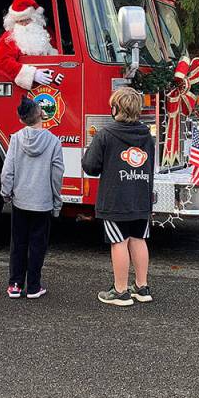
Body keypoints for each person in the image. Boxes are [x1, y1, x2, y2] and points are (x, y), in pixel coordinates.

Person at [81, 87, 156, 307]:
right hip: (141, 198)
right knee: (139, 239)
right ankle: (142, 287)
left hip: (115, 200)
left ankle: (121, 291)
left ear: (116, 108)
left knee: (119, 242)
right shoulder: (147, 135)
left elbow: (90, 166)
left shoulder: (106, 134)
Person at [1, 98, 64, 299]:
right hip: (43, 202)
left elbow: (7, 170)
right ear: (41, 115)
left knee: (18, 243)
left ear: (21, 120)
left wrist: (6, 192)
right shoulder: (54, 141)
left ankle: (15, 284)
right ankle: (34, 286)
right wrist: (56, 201)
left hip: (20, 201)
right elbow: (57, 174)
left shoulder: (16, 139)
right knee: (38, 245)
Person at [0, 0, 63, 90]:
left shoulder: (45, 33)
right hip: (23, 91)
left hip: (52, 82)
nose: (23, 24)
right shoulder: (8, 38)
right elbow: (3, 61)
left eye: (27, 20)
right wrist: (32, 74)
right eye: (19, 21)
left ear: (34, 18)